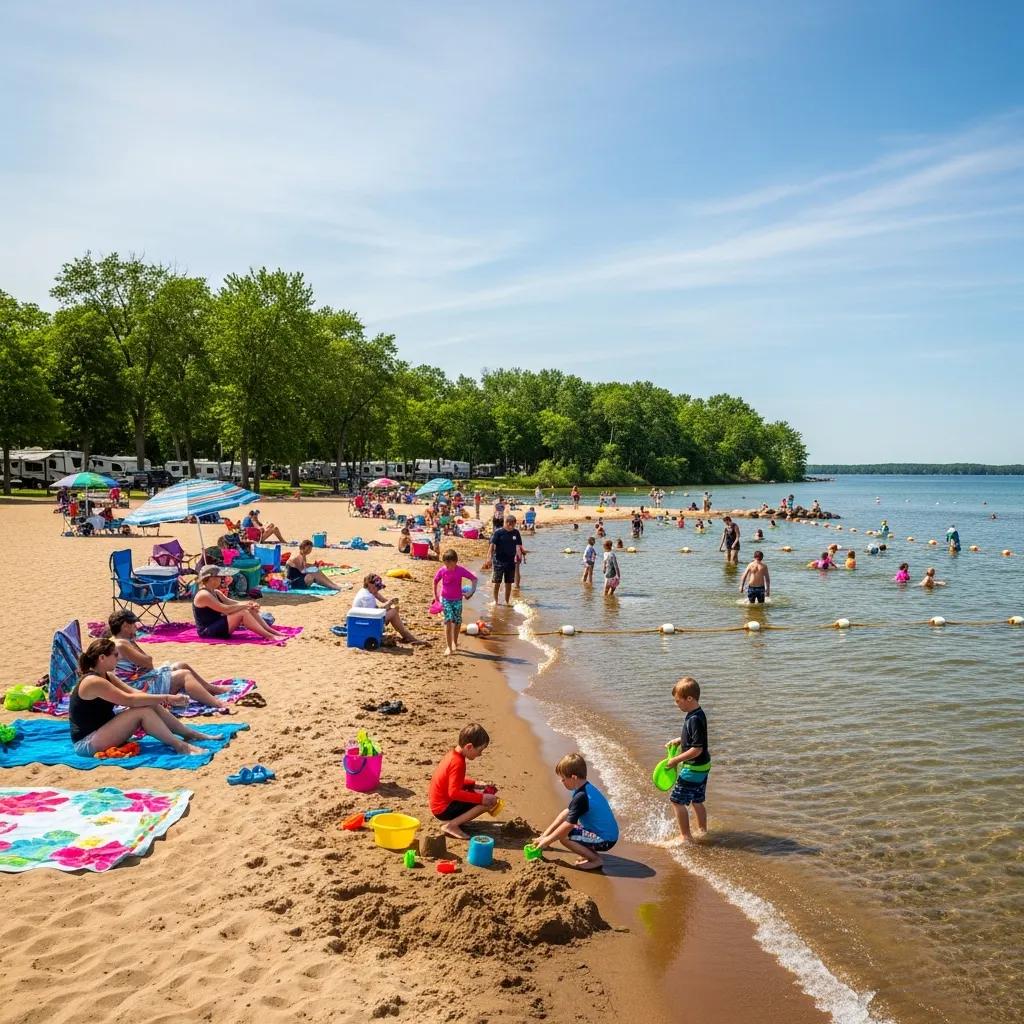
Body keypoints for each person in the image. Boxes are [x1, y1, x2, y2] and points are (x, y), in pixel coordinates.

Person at [69, 638, 215, 758]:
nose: (118, 658)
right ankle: (180, 746)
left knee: (149, 704)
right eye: (115, 655)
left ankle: (189, 734)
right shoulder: (93, 681)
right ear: (102, 658)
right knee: (142, 712)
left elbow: (135, 693)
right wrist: (168, 698)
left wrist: (159, 699)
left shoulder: (108, 676)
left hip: (101, 731)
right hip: (86, 743)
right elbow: (129, 700)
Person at [108, 610, 233, 710]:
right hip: (137, 688)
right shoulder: (122, 644)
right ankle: (217, 703)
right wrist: (134, 644)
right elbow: (148, 663)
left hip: (138, 681)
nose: (136, 628)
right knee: (184, 675)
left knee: (181, 665)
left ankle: (212, 689)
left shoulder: (114, 640)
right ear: (125, 626)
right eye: (134, 625)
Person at [534, 753, 619, 870]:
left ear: (573, 777)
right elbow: (566, 813)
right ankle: (589, 853)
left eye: (563, 779)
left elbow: (568, 825)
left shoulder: (582, 796)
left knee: (565, 836)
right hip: (606, 833)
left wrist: (546, 842)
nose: (561, 781)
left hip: (606, 839)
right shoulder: (584, 788)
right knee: (568, 829)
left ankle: (596, 860)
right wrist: (545, 835)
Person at [427, 723, 498, 840]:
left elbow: (452, 780)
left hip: (438, 804)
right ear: (469, 747)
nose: (480, 754)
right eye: (480, 750)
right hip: (443, 809)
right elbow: (453, 793)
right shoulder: (458, 763)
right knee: (488, 802)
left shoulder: (452, 754)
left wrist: (474, 783)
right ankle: (451, 825)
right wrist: (482, 799)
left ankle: (454, 821)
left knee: (476, 792)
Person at [663, 676, 710, 843]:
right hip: (703, 767)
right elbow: (695, 739)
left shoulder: (694, 719)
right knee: (697, 800)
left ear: (689, 698)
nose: (677, 705)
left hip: (693, 768)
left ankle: (685, 837)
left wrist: (675, 760)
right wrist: (679, 740)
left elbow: (697, 749)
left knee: (676, 801)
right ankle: (703, 831)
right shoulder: (697, 713)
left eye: (678, 701)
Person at [192, 565, 286, 640]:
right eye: (220, 577)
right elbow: (225, 609)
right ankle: (269, 636)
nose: (222, 579)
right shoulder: (203, 595)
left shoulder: (215, 592)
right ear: (211, 579)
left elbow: (232, 603)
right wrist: (245, 605)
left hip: (217, 625)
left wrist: (250, 604)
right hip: (208, 632)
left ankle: (270, 631)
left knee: (247, 608)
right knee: (243, 612)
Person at [352, 573, 427, 644]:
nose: (378, 589)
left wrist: (387, 602)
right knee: (394, 611)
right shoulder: (367, 597)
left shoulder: (365, 591)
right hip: (365, 625)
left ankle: (406, 635)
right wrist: (388, 605)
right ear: (370, 584)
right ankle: (407, 635)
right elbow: (374, 615)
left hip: (363, 621)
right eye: (376, 587)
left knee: (393, 609)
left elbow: (382, 601)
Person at [434, 549, 477, 656]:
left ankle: (454, 642)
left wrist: (471, 592)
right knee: (448, 620)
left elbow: (474, 579)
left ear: (455, 561)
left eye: (450, 563)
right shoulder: (442, 570)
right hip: (445, 599)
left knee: (457, 622)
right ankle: (449, 647)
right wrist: (435, 597)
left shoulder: (460, 570)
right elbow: (435, 581)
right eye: (445, 563)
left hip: (457, 599)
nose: (447, 566)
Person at [485, 514, 524, 605]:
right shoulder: (498, 532)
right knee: (497, 582)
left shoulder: (516, 533)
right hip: (499, 561)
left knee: (509, 583)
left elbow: (518, 545)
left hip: (510, 561)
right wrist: (489, 558)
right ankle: (496, 601)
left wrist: (520, 555)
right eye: (509, 524)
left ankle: (507, 601)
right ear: (506, 523)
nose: (511, 526)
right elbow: (492, 545)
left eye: (513, 524)